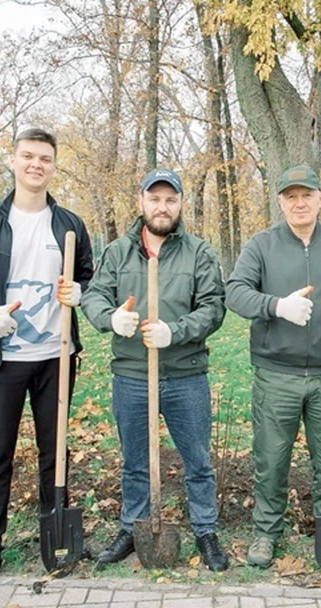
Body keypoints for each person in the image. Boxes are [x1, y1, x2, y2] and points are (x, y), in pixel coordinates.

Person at [0, 127, 94, 592]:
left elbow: (88, 276)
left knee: (56, 453)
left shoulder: (69, 224)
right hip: (1, 359)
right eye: (27, 156)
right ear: (13, 161)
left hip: (56, 356)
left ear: (53, 165)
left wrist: (80, 291)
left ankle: (56, 534)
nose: (36, 165)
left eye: (44, 158)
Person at [80, 168, 229, 572]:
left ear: (181, 204)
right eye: (155, 198)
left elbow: (214, 307)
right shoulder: (117, 252)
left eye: (170, 200)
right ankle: (132, 526)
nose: (162, 207)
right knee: (134, 461)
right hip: (131, 376)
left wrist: (175, 332)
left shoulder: (199, 252)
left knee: (197, 460)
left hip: (185, 375)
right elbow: (93, 297)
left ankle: (205, 530)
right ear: (141, 202)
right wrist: (111, 319)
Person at [225, 165, 321, 568]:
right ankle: (266, 532)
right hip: (277, 374)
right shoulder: (262, 245)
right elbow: (235, 293)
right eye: (291, 196)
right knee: (271, 459)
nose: (299, 202)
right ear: (280, 202)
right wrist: (276, 307)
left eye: (307, 194)